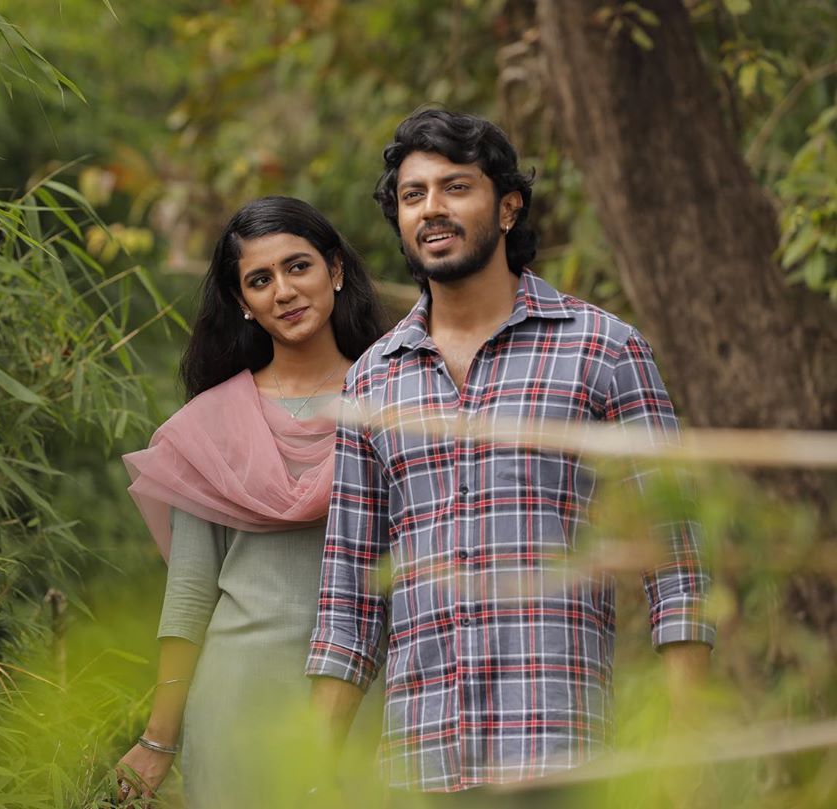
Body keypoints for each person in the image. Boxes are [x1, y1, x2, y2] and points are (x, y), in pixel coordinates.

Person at [306, 109, 715, 800]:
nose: (431, 209)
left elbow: (677, 564)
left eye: (455, 187)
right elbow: (349, 599)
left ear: (507, 207)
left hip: (561, 758)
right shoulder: (372, 381)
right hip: (419, 765)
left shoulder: (605, 350)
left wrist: (688, 745)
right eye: (413, 195)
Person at [116, 196, 389, 807]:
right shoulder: (211, 424)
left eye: (298, 267)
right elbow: (190, 595)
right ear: (242, 302)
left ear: (335, 270)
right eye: (259, 280)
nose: (284, 292)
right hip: (236, 701)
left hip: (368, 702)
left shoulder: (395, 406)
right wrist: (158, 740)